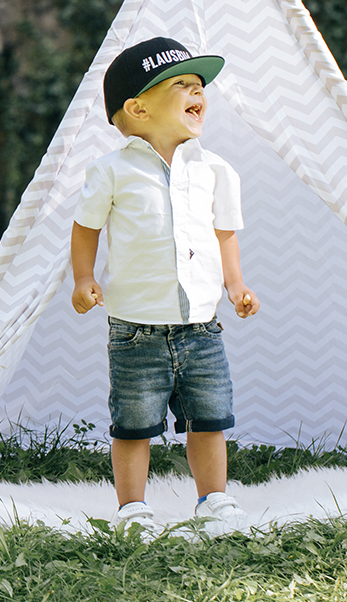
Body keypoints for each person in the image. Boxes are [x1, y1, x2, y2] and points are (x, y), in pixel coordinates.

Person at [70, 36, 259, 537]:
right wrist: (84, 277)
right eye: (183, 85)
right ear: (137, 107)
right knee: (134, 425)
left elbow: (224, 233)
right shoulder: (112, 170)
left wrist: (236, 284)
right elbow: (86, 228)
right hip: (135, 329)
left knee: (210, 418)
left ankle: (214, 499)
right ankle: (132, 508)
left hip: (202, 325)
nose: (198, 93)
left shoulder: (216, 169)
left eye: (201, 86)